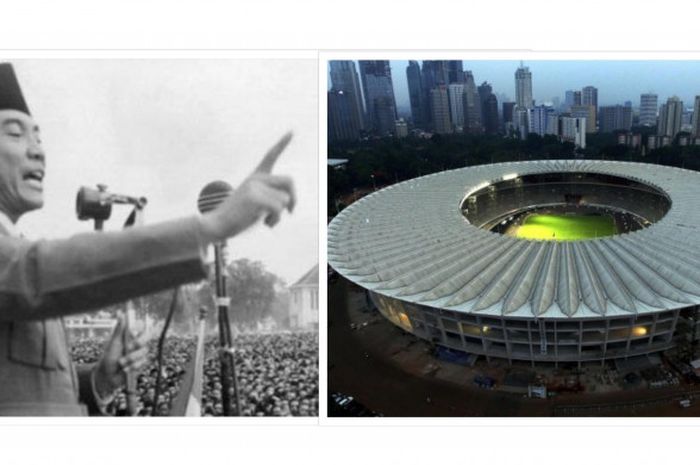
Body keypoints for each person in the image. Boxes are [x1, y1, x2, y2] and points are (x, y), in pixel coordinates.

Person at [0, 63, 296, 416]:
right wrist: (210, 226)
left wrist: (100, 379)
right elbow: (36, 269)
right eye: (15, 134)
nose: (38, 150)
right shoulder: (21, 265)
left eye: (39, 137)